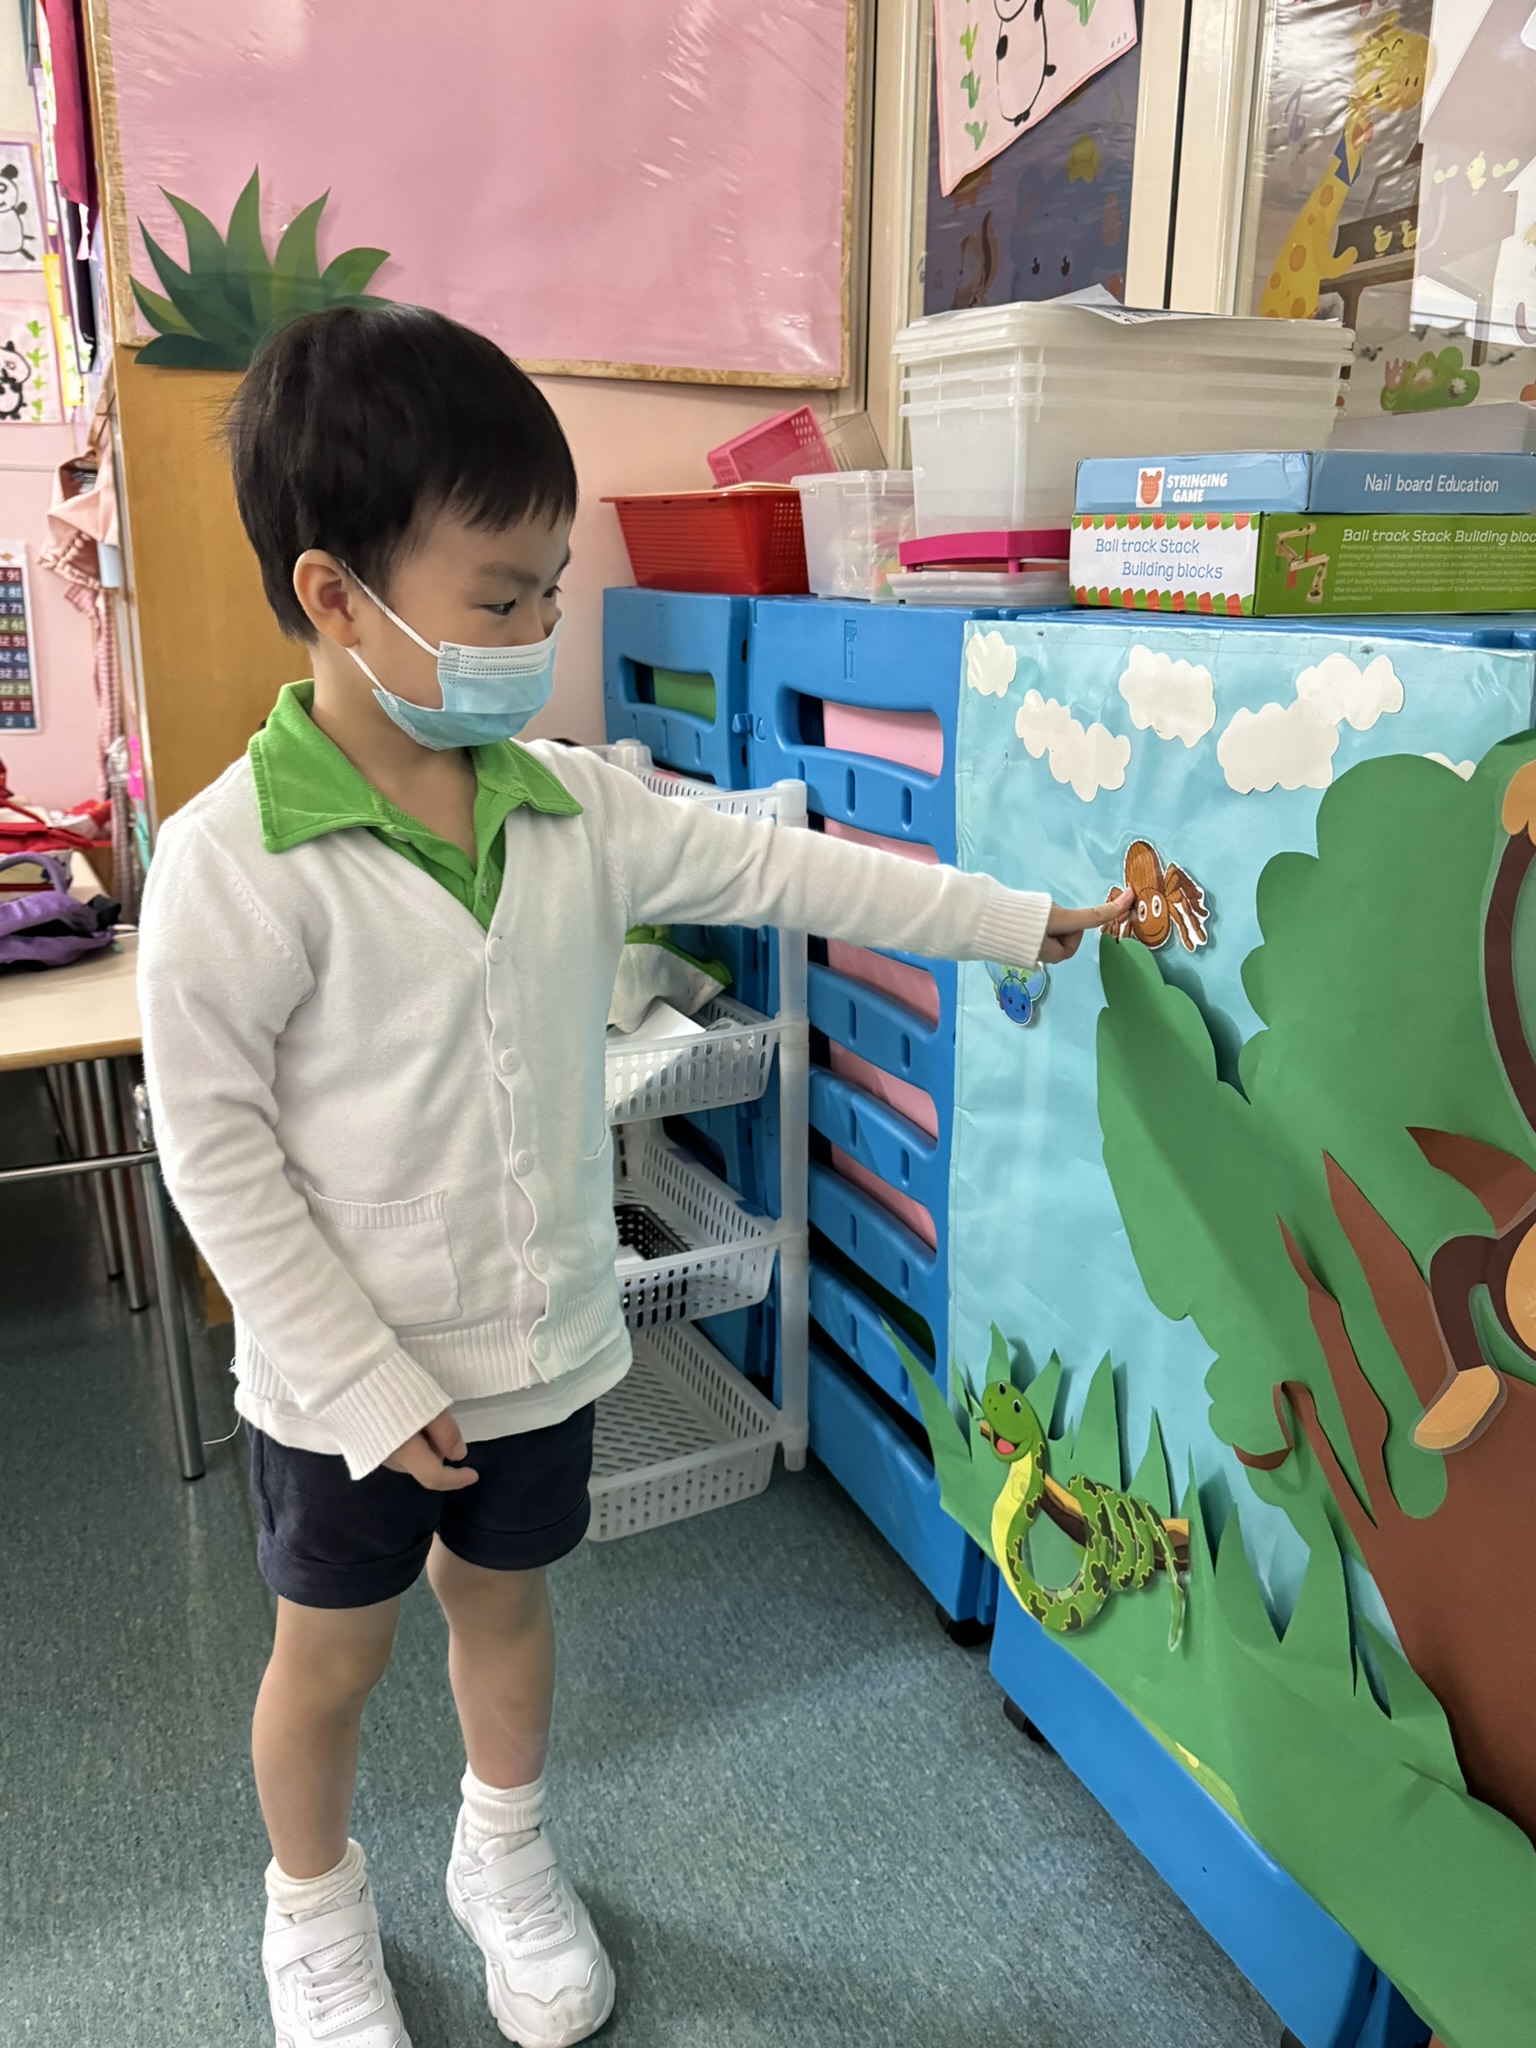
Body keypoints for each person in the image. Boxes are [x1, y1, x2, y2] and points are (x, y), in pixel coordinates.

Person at [137, 302, 1133, 2048]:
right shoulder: (233, 862)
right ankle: (313, 1913)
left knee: (506, 1610)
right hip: (339, 1384)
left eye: (551, 590)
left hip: (534, 1354)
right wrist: (360, 1378)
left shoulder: (571, 808)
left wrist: (1016, 918)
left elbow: (796, 871)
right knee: (331, 1660)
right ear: (335, 597)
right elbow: (210, 1154)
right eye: (499, 600)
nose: (541, 632)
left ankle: (504, 1855)